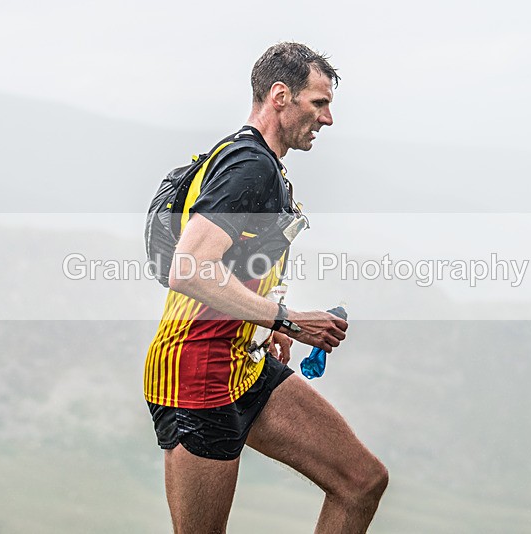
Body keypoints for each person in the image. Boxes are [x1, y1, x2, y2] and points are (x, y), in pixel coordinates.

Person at [144, 42, 388, 533]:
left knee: (362, 482)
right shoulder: (249, 166)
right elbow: (189, 268)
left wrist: (266, 321)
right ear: (280, 96)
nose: (328, 119)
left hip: (244, 362)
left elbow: (237, 260)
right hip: (195, 374)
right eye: (319, 103)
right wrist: (289, 321)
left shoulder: (256, 162)